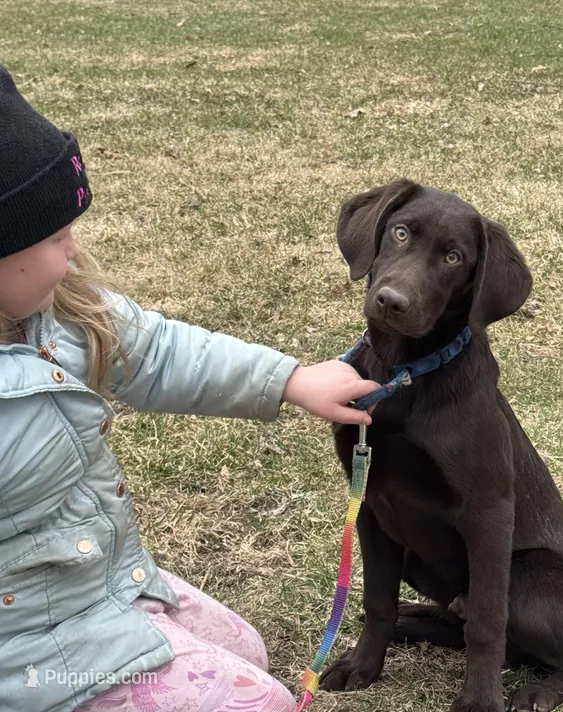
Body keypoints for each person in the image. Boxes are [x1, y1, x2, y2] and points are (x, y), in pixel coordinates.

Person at [0, 65, 379, 712]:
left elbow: (158, 352)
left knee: (247, 651)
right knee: (262, 702)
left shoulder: (58, 311)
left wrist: (290, 380)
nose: (75, 252)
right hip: (27, 652)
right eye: (56, 237)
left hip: (97, 583)